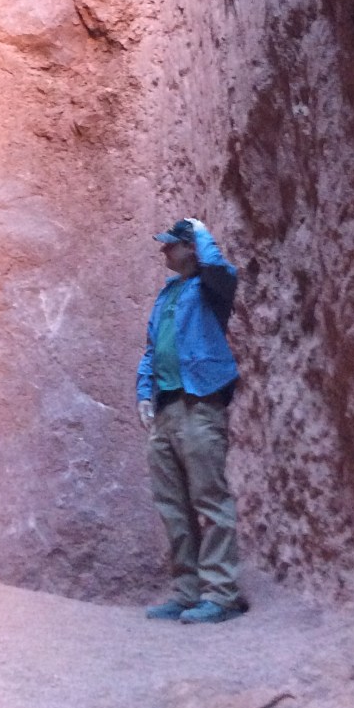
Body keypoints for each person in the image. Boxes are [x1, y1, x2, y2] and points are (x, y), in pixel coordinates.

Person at [136, 216, 247, 624]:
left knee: (209, 498)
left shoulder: (211, 286)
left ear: (190, 248)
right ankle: (187, 592)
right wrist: (144, 393)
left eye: (171, 243)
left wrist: (201, 232)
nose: (164, 250)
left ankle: (222, 595)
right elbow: (152, 349)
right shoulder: (168, 293)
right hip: (167, 407)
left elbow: (220, 269)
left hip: (200, 405)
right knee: (172, 504)